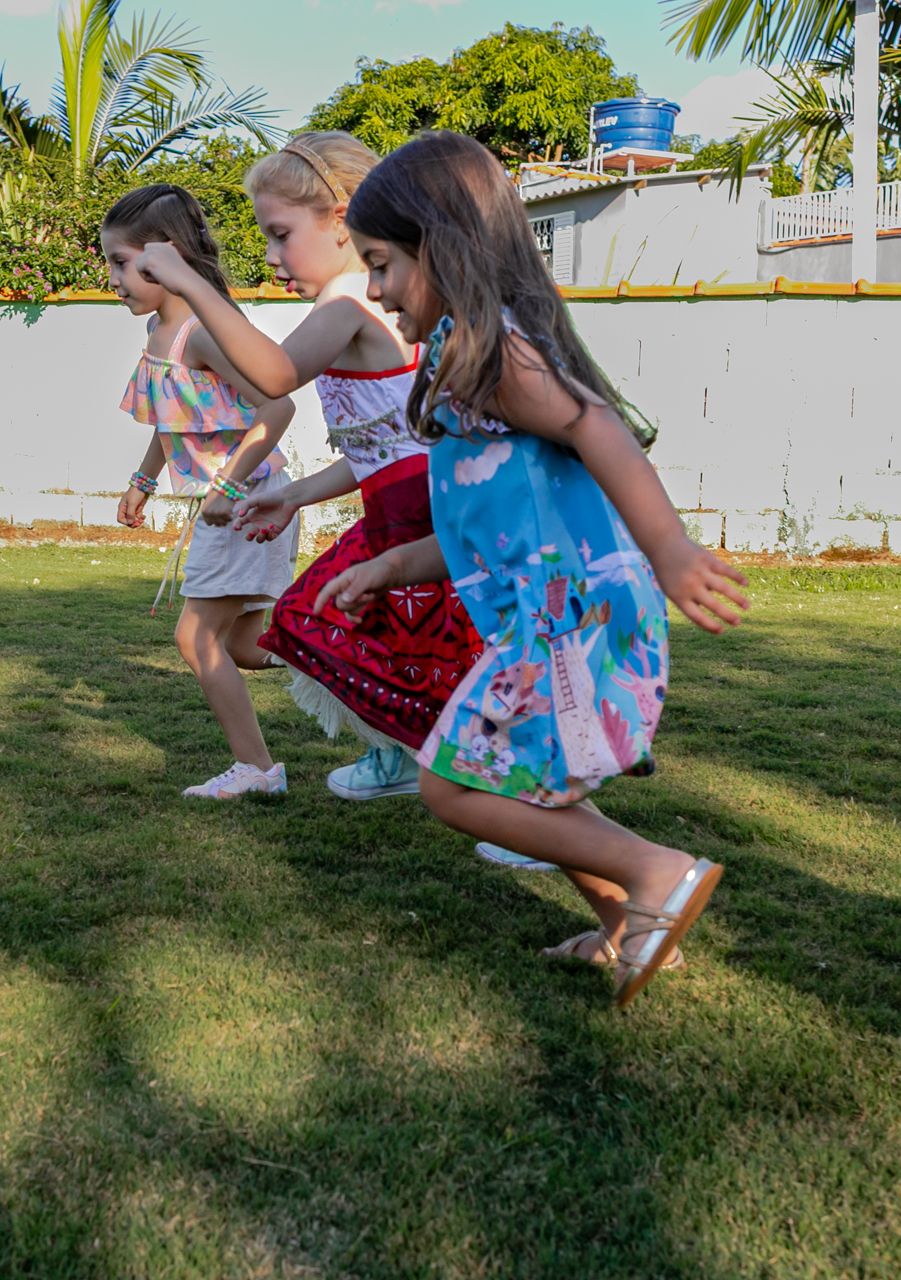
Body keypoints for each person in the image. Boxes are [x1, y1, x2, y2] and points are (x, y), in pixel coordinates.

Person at [320, 131, 750, 1006]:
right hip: (544, 618)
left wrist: (670, 548)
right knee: (525, 779)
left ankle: (655, 870)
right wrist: (393, 564)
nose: (375, 290)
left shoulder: (500, 353)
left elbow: (598, 426)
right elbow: (480, 519)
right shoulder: (464, 354)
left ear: (441, 248)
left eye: (382, 265)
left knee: (451, 783)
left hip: (574, 619)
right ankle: (629, 920)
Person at [137, 132, 541, 870]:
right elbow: (377, 449)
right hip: (397, 515)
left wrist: (192, 285)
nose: (271, 256)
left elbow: (275, 374)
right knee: (326, 630)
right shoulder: (370, 300)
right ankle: (396, 753)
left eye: (280, 233)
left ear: (342, 219)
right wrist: (294, 495)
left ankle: (544, 813)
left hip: (423, 523)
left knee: (452, 669)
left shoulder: (351, 297)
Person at [103, 184, 299, 798]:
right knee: (243, 645)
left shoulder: (204, 333)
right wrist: (143, 480)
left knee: (194, 638)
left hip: (248, 503)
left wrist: (227, 485)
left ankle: (257, 769)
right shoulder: (160, 333)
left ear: (165, 255)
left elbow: (279, 406)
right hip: (227, 504)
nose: (113, 279)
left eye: (121, 262)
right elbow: (174, 420)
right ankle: (346, 660)